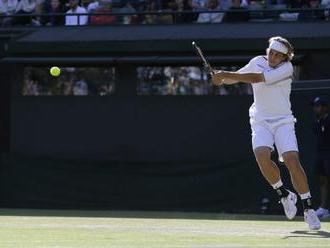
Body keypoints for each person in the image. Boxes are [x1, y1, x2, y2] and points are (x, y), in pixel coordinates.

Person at [211, 36, 321, 230]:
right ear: (267, 50)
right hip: (260, 120)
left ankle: (308, 209)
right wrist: (221, 79)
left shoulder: (286, 69)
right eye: (271, 52)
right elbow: (237, 76)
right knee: (261, 156)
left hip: (283, 121)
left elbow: (255, 78)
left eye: (278, 55)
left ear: (285, 58)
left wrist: (225, 74)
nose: (273, 57)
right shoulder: (257, 61)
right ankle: (284, 194)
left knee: (291, 161)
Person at [311, 97, 330, 218]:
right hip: (321, 155)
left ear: (324, 108)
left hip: (328, 154)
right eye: (314, 106)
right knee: (323, 180)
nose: (315, 109)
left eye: (317, 106)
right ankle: (323, 208)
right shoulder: (317, 122)